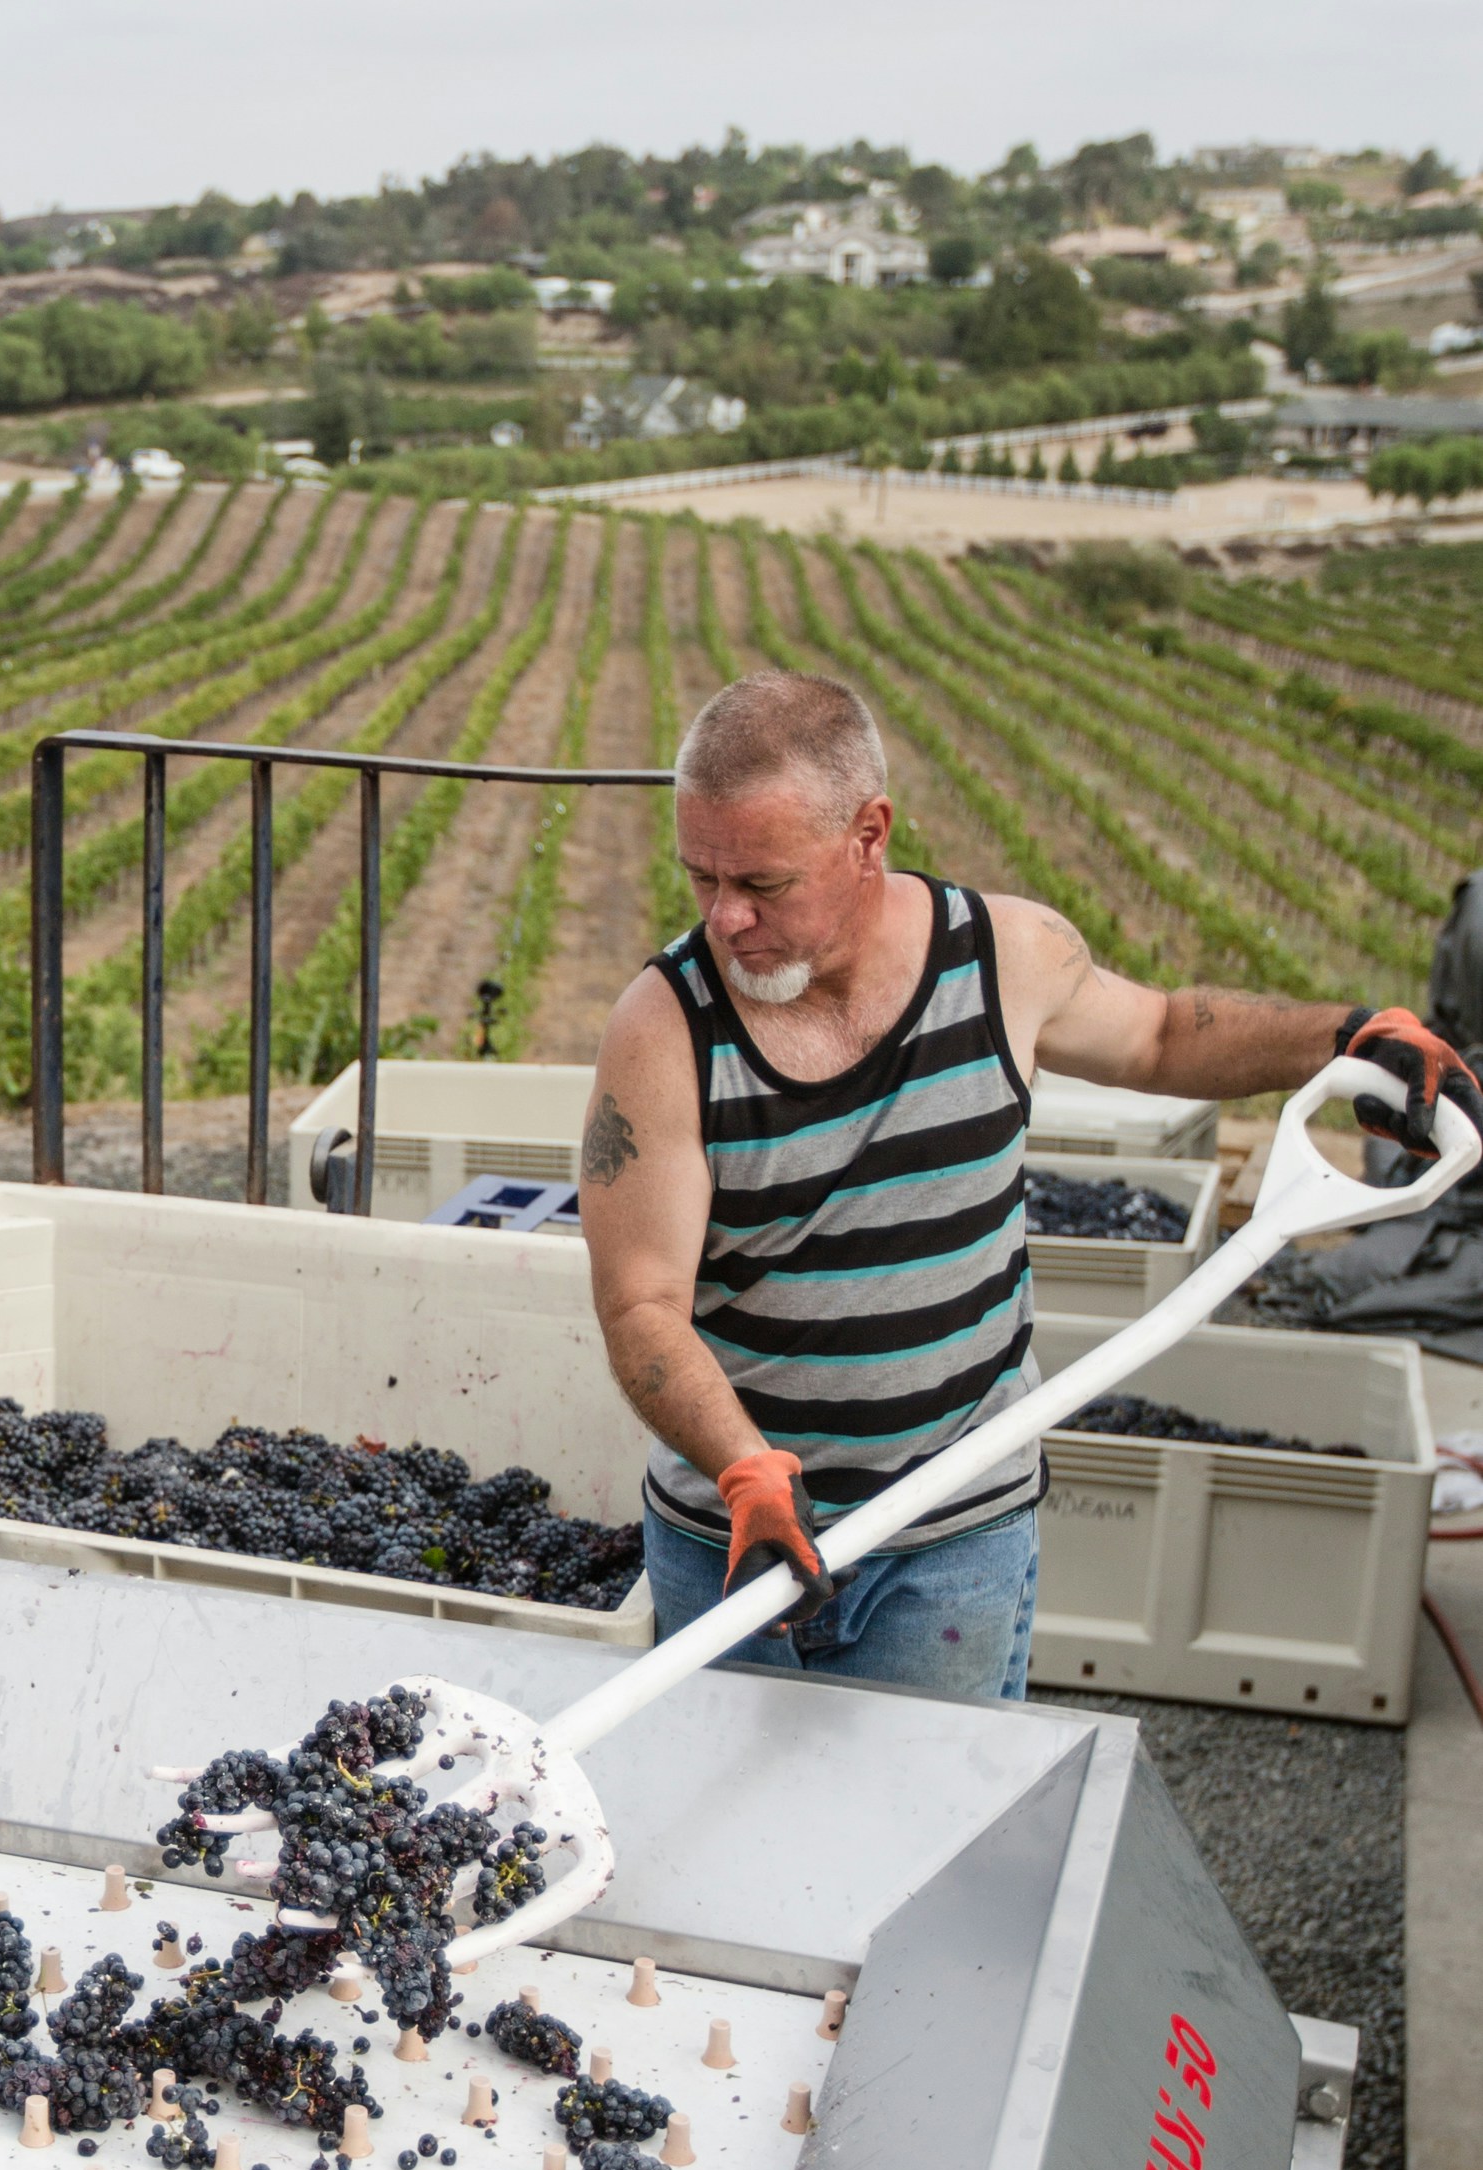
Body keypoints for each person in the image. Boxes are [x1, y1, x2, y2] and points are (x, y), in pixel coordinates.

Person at [578, 668, 1483, 1700]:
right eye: (701, 878)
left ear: (868, 835)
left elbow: (1158, 1035)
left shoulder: (1002, 957)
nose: (726, 918)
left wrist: (1345, 1036)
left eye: (763, 883)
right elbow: (640, 1305)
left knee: (943, 1807)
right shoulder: (663, 1030)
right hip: (730, 1553)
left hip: (951, 1548)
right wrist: (744, 1472)